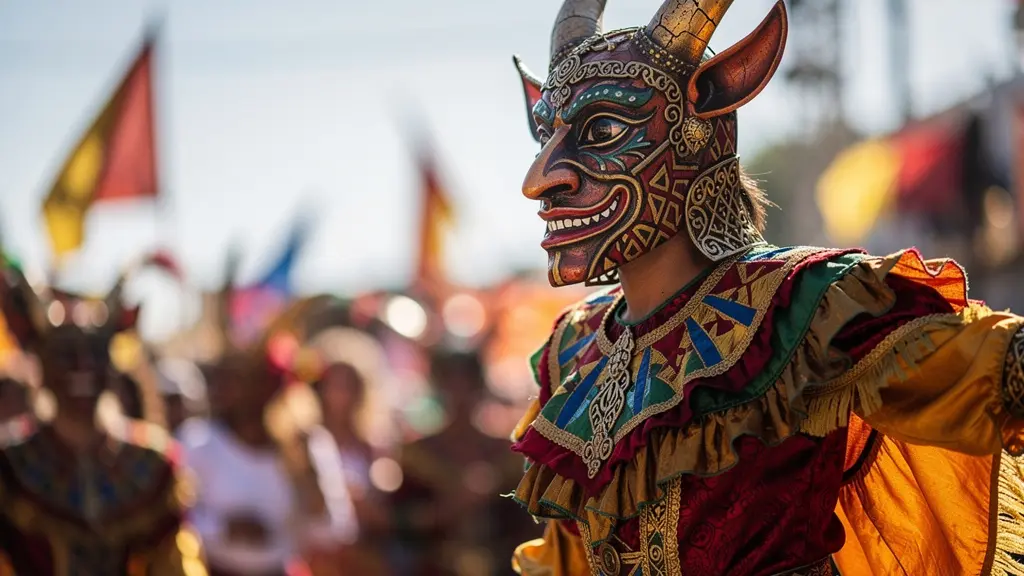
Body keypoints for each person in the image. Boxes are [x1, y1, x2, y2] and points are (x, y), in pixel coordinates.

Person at [508, 1, 1024, 574]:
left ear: (699, 125)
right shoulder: (573, 350)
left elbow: (997, 372)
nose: (539, 181)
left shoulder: (809, 303)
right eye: (544, 135)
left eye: (602, 130)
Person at [0, 260, 206, 575]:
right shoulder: (10, 468)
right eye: (66, 354)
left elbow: (173, 564)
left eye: (96, 353)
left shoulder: (152, 464)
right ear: (41, 365)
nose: (83, 367)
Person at [178, 297, 358, 576]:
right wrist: (224, 529)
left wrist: (311, 485)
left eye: (269, 386)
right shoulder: (199, 442)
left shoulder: (308, 445)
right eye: (252, 383)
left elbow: (338, 530)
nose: (260, 397)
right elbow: (175, 519)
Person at [393, 347, 540, 576]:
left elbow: (528, 524)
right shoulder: (418, 455)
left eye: (466, 384)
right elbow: (401, 522)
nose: (459, 393)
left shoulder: (506, 454)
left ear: (479, 389)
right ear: (440, 389)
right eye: (451, 384)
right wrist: (446, 509)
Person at [309, 326, 396, 574]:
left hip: (356, 559)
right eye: (333, 384)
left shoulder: (372, 445)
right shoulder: (304, 439)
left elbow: (383, 513)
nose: (340, 394)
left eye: (348, 384)